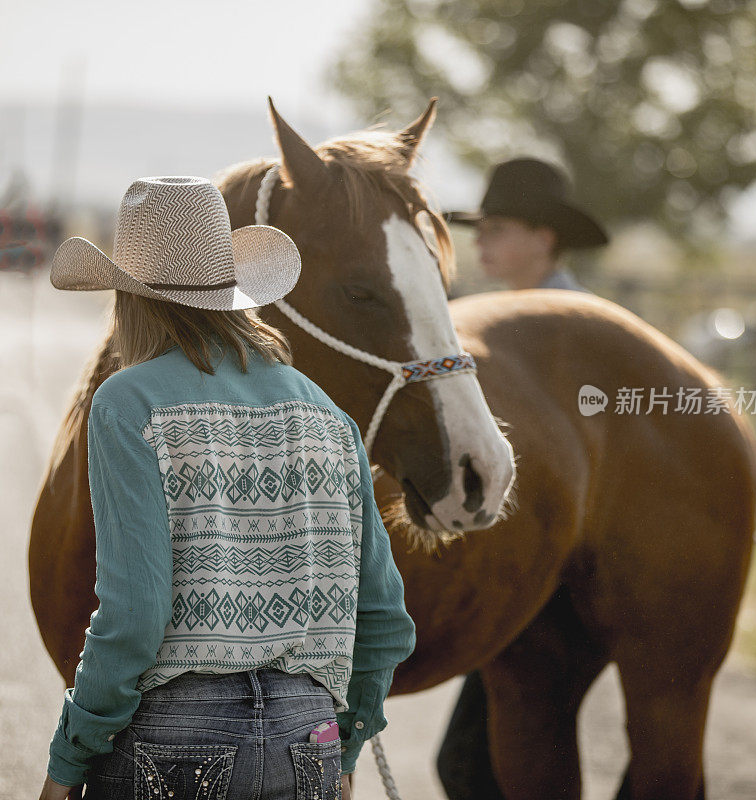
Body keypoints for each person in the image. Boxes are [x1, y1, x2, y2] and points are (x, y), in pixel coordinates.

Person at [39, 176, 416, 800]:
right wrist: (345, 740)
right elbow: (385, 616)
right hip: (308, 736)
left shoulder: (129, 402)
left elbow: (134, 617)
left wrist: (69, 757)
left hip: (174, 733)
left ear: (131, 301)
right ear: (234, 292)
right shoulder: (325, 412)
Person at [439, 159, 608, 800]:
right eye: (479, 228)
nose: (480, 241)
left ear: (545, 237)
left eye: (499, 227)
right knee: (484, 761)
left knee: (475, 762)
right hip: (509, 564)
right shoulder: (474, 322)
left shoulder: (589, 334)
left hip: (558, 570)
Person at [447, 157, 609, 294]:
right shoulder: (510, 313)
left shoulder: (578, 318)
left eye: (496, 229)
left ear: (543, 240)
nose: (478, 242)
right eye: (479, 230)